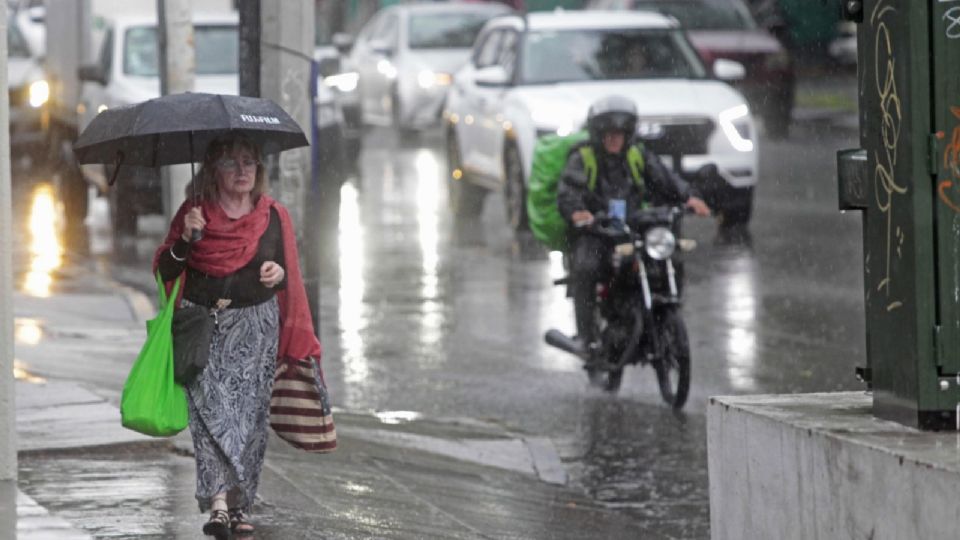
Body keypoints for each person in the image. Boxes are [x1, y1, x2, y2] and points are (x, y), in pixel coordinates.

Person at [153, 131, 322, 538]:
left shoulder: (274, 215)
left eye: (249, 162)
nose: (243, 170)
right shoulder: (193, 214)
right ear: (214, 170)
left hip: (256, 331)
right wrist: (186, 240)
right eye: (231, 162)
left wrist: (276, 275)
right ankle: (217, 506)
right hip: (203, 329)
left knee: (248, 420)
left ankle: (239, 502)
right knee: (210, 418)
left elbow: (287, 275)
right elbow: (166, 270)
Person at [557, 95, 711, 351]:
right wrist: (579, 213)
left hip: (636, 229)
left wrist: (690, 197)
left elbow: (667, 179)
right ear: (598, 135)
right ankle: (586, 336)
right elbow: (568, 192)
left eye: (619, 134)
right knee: (585, 267)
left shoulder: (638, 156)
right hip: (598, 232)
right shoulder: (582, 158)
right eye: (608, 134)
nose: (614, 139)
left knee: (669, 257)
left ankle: (663, 314)